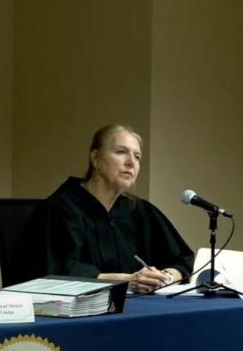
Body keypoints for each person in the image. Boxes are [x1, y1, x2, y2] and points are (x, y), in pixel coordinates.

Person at [21, 124, 193, 293]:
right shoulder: (60, 210)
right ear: (95, 159)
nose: (131, 162)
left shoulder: (140, 211)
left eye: (137, 156)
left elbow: (184, 260)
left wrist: (164, 278)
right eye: (121, 152)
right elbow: (57, 273)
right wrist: (127, 281)